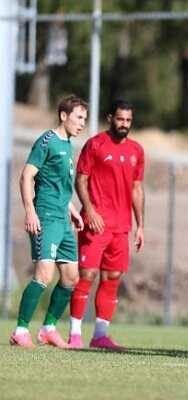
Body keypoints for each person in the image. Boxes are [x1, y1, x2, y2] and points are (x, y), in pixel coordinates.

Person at [10, 95, 87, 349]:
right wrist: (30, 211)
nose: (82, 123)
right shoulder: (47, 141)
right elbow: (27, 176)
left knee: (70, 277)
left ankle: (48, 329)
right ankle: (20, 331)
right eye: (78, 117)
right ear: (63, 116)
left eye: (84, 119)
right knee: (44, 273)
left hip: (63, 218)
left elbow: (56, 184)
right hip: (45, 215)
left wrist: (72, 210)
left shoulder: (67, 145)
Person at [68, 100, 145, 350]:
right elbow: (81, 180)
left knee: (112, 277)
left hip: (121, 227)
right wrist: (89, 210)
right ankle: (75, 334)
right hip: (96, 222)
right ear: (110, 117)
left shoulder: (136, 150)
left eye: (128, 121)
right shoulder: (96, 144)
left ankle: (100, 335)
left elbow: (136, 188)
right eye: (120, 119)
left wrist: (140, 225)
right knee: (87, 275)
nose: (124, 124)